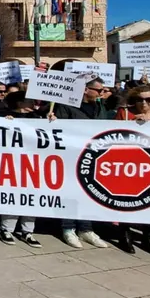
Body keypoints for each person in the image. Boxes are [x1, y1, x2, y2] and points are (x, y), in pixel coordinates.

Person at [48, 77, 109, 249]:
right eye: (99, 90)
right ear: (85, 90)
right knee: (70, 192)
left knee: (88, 191)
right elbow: (61, 131)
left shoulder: (100, 107)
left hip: (94, 155)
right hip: (72, 156)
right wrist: (52, 119)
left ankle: (86, 228)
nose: (102, 93)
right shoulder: (66, 106)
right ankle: (68, 228)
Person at [112, 85, 150, 255]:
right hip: (129, 162)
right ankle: (125, 233)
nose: (144, 103)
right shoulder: (124, 113)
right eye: (139, 99)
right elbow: (112, 133)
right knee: (127, 199)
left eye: (149, 99)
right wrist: (133, 125)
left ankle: (148, 235)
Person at [0, 91, 44, 248]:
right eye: (30, 101)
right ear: (20, 103)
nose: (34, 104)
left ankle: (27, 231)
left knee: (31, 198)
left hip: (33, 163)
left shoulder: (37, 118)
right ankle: (6, 229)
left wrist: (52, 121)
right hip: (12, 163)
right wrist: (5, 123)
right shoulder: (4, 116)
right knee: (12, 196)